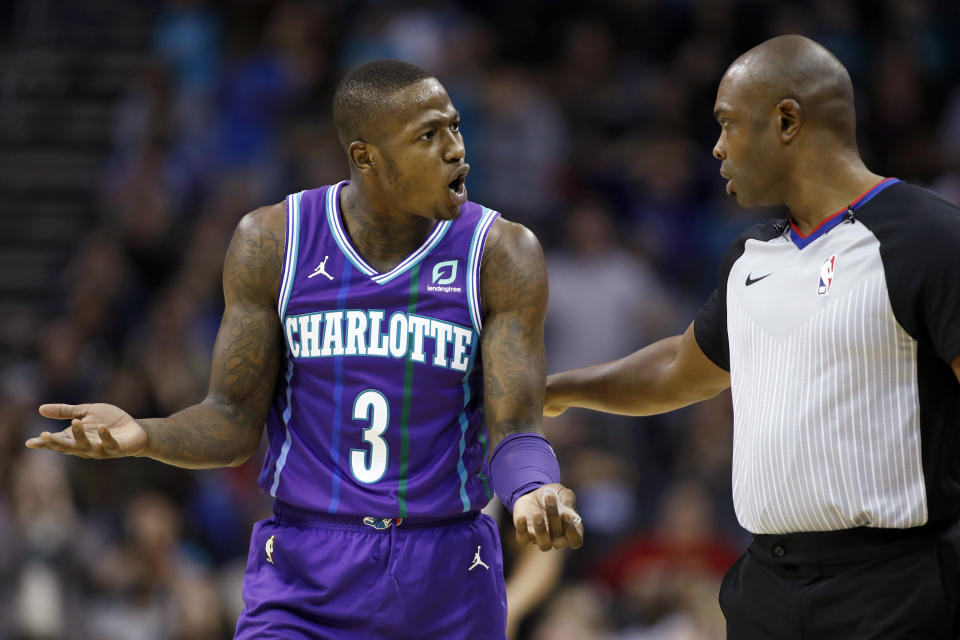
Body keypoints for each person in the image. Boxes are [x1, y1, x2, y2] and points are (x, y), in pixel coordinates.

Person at [27, 59, 583, 639]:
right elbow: (233, 420)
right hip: (306, 567)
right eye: (427, 135)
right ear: (366, 157)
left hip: (445, 567)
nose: (454, 149)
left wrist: (533, 487)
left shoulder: (502, 254)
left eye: (454, 126)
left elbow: (517, 425)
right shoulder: (273, 241)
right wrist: (146, 434)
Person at [544, 34, 960, 638]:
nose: (715, 147)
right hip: (766, 584)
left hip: (898, 587)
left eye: (727, 124)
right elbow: (675, 372)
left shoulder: (928, 238)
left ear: (787, 120)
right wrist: (554, 390)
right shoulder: (750, 258)